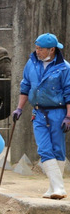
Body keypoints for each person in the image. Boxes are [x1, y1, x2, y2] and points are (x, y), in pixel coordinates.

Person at [12, 33, 70, 200]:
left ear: (52, 49)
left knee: (58, 149)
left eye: (40, 49)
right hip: (38, 112)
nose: (37, 51)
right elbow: (25, 86)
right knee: (44, 149)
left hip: (58, 112)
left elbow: (68, 93)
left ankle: (53, 188)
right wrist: (19, 108)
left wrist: (68, 116)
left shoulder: (65, 68)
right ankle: (59, 187)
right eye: (36, 48)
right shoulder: (31, 64)